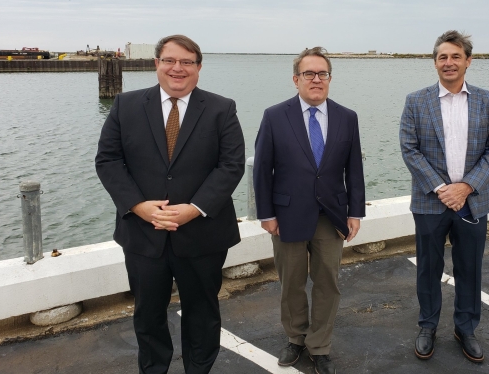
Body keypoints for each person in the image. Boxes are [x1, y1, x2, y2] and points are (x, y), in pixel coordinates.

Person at [96, 34, 245, 373]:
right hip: (143, 234)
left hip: (203, 233)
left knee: (203, 315)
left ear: (199, 68)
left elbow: (231, 165)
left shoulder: (222, 108)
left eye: (187, 62)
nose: (178, 69)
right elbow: (107, 161)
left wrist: (195, 208)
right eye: (170, 61)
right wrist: (138, 206)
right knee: (147, 316)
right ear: (157, 64)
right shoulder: (126, 105)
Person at [253, 47, 365, 374]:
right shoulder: (275, 116)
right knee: (292, 283)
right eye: (308, 74)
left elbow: (354, 170)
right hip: (287, 215)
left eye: (322, 74)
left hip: (331, 216)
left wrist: (355, 212)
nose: (316, 79)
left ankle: (319, 345)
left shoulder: (347, 117)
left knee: (328, 282)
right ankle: (296, 337)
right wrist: (266, 214)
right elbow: (262, 170)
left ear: (330, 78)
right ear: (296, 79)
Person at [399, 30, 489, 363]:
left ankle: (466, 328)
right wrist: (443, 189)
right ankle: (427, 326)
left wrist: (466, 187)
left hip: (473, 200)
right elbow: (410, 149)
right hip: (431, 201)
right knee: (428, 267)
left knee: (469, 267)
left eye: (456, 56)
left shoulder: (488, 101)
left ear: (468, 61)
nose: (449, 63)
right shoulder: (416, 101)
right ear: (435, 63)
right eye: (443, 57)